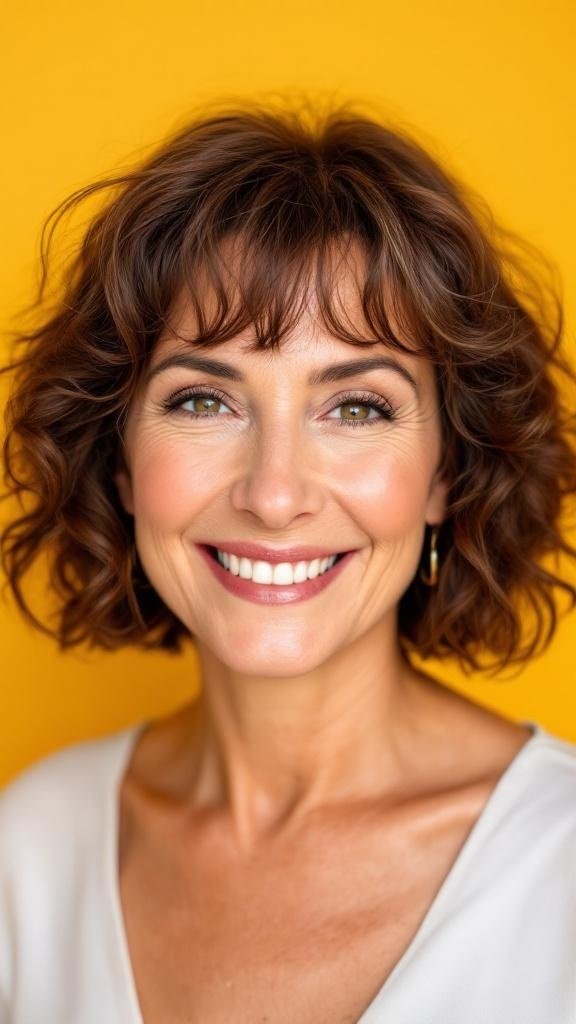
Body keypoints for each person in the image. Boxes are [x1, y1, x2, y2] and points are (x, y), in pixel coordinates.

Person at [0, 102, 575, 1024]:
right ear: (120, 459)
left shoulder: (562, 869)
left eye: (355, 409)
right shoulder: (29, 851)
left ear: (446, 474)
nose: (274, 494)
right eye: (202, 402)